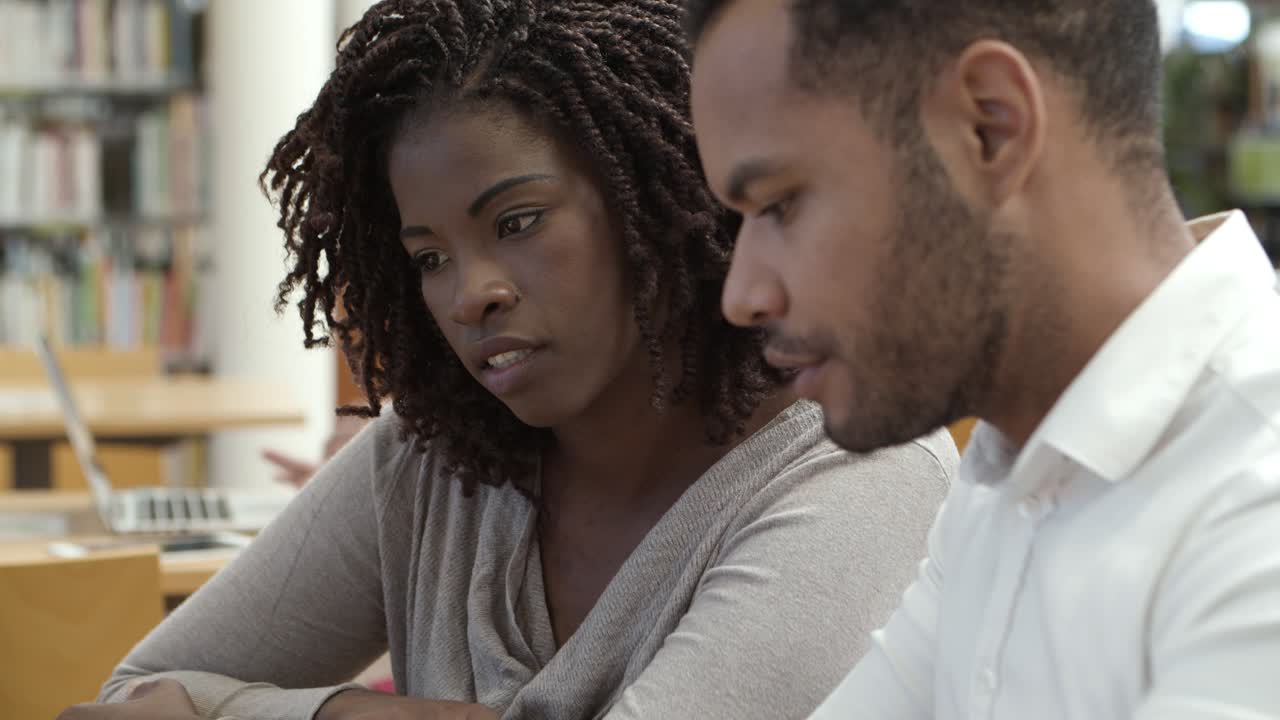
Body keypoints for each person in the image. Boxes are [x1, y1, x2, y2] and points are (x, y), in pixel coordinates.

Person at [57, 2, 954, 719]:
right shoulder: (432, 457)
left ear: (661, 198)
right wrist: (339, 715)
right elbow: (130, 698)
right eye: (429, 257)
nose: (468, 294)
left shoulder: (857, 474)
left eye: (517, 223)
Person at [687, 0, 1280, 718]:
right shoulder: (1005, 467)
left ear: (988, 129)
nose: (743, 294)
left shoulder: (1256, 495)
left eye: (780, 204)